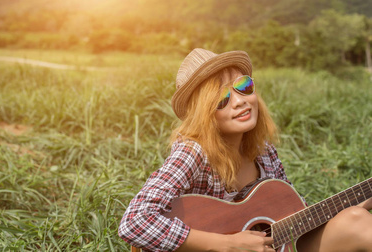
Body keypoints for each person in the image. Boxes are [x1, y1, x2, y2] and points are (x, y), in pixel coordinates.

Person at [118, 48, 372, 252]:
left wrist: (358, 200)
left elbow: (294, 218)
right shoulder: (192, 153)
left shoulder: (264, 152)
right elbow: (134, 222)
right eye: (221, 99)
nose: (240, 100)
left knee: (354, 219)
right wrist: (226, 244)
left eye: (243, 86)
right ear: (203, 113)